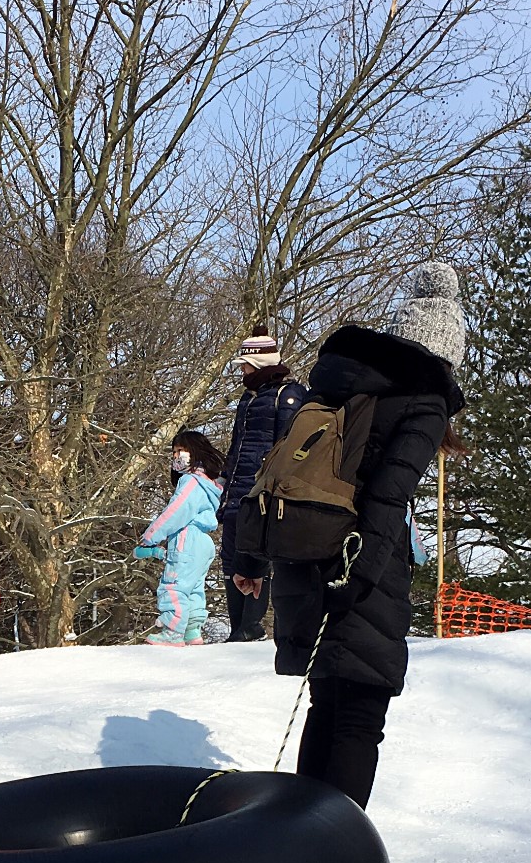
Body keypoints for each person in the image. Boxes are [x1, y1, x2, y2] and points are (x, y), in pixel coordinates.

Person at [261, 263, 466, 809]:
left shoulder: (343, 386)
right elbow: (386, 499)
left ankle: (296, 846)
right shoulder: (424, 402)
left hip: (304, 557)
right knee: (359, 717)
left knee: (327, 704)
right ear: (445, 352)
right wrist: (359, 576)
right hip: (357, 570)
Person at [220, 332, 308, 642]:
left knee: (256, 554)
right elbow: (237, 445)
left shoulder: (289, 395)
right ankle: (236, 628)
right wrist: (225, 478)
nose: (241, 371)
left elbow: (288, 447)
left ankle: (251, 627)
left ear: (258, 364)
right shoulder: (249, 397)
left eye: (245, 365)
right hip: (237, 489)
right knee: (230, 558)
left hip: (264, 492)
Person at [133, 429, 223, 646]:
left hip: (187, 538)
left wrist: (150, 537)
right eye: (174, 452)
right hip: (203, 542)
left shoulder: (191, 482)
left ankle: (172, 631)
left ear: (195, 452)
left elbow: (175, 512)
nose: (176, 456)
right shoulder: (209, 484)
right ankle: (192, 630)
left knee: (173, 584)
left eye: (181, 451)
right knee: (193, 586)